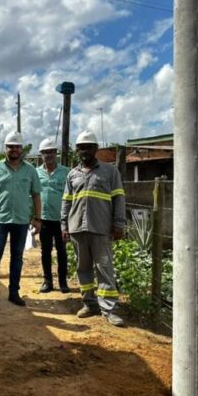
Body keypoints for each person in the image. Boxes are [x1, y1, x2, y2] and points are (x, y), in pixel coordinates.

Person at [61, 130, 126, 327]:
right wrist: (63, 224)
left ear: (95, 149)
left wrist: (118, 223)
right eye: (81, 148)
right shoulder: (72, 174)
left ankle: (109, 309)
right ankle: (89, 304)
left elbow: (119, 198)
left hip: (101, 228)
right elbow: (66, 201)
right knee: (83, 268)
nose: (85, 151)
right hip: (77, 229)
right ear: (77, 150)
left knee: (104, 268)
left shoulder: (110, 172)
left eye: (89, 147)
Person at [0, 131, 42, 308]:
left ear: (21, 149)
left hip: (21, 222)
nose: (14, 149)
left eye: (17, 146)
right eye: (10, 146)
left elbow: (36, 195)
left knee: (17, 257)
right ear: (5, 148)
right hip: (0, 220)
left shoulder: (30, 170)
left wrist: (37, 219)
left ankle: (14, 293)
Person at [36, 138, 71, 293]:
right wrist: (33, 217)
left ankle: (63, 282)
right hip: (43, 219)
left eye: (51, 152)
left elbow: (72, 196)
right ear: (41, 154)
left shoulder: (66, 172)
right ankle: (47, 281)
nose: (48, 155)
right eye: (45, 152)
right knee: (45, 250)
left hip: (61, 219)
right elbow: (33, 195)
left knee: (61, 250)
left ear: (56, 153)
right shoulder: (36, 173)